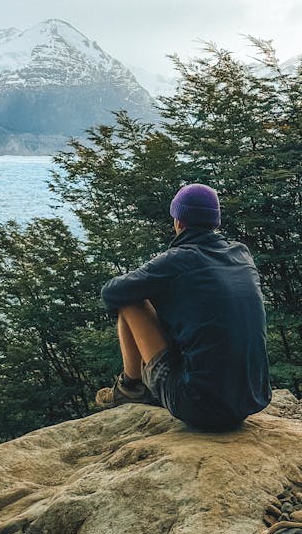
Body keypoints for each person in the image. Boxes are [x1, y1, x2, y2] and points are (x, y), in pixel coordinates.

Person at [95, 183, 272, 432]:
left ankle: (130, 387)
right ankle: (137, 386)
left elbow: (111, 292)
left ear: (178, 221)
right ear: (215, 223)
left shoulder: (178, 259)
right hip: (251, 398)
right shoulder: (241, 254)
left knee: (131, 300)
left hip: (199, 405)